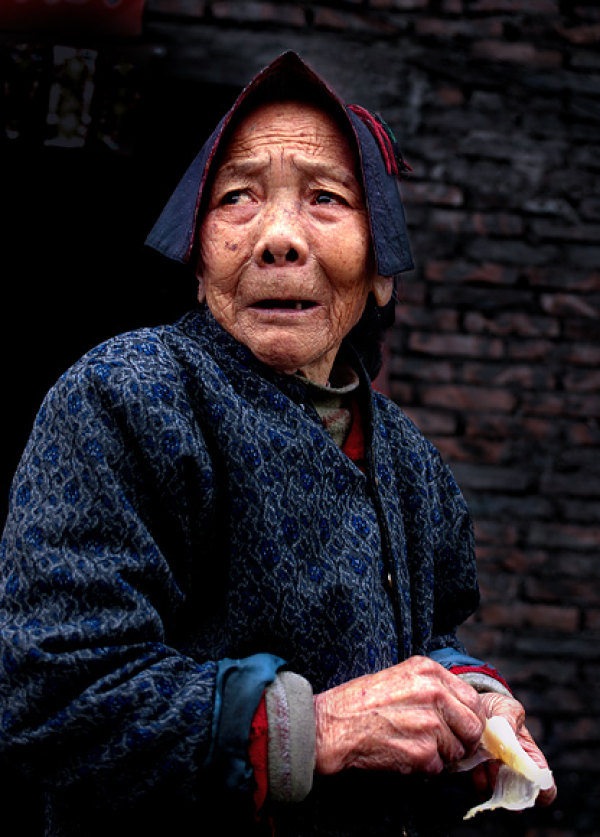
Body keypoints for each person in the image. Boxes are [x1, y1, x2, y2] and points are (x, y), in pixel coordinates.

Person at [0, 51, 555, 836]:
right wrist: (316, 728)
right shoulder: (125, 396)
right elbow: (55, 695)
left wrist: (468, 703)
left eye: (326, 198)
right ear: (199, 261)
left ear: (382, 269)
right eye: (238, 198)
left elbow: (425, 634)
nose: (279, 238)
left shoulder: (410, 459)